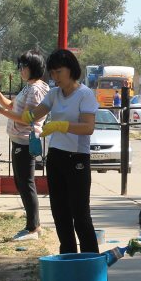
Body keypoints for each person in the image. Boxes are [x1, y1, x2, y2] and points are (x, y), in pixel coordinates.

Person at [22, 49, 99, 253]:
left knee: (80, 214)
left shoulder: (85, 94)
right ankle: (68, 256)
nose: (54, 77)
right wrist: (27, 115)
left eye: (58, 71)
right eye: (52, 73)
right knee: (59, 212)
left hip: (77, 158)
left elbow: (88, 127)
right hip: (56, 156)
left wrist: (61, 126)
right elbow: (38, 112)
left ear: (71, 69)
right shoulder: (54, 93)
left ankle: (91, 260)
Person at [0, 51, 49, 241]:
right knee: (21, 182)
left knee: (26, 183)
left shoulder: (35, 89)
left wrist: (0, 111)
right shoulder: (28, 87)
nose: (21, 70)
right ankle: (33, 225)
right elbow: (11, 105)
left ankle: (33, 227)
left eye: (24, 66)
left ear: (34, 67)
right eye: (20, 66)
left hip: (25, 140)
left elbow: (27, 118)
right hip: (18, 140)